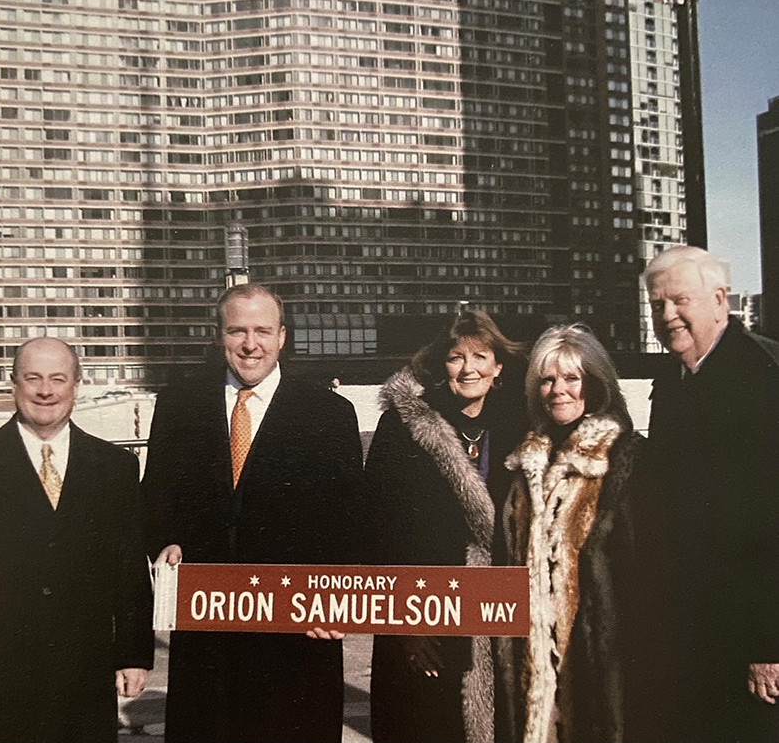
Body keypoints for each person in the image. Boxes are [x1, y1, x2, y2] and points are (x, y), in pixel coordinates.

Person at [141, 284, 364, 743]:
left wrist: (338, 598)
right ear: (219, 336)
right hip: (207, 646)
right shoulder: (179, 405)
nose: (250, 344)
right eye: (237, 330)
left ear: (282, 336)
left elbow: (350, 522)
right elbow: (155, 501)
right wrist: (166, 540)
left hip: (299, 640)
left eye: (263, 330)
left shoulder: (329, 414)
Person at [0, 337, 154, 743]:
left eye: (58, 379)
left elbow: (128, 569)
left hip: (83, 677)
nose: (46, 391)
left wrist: (133, 655)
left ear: (76, 385)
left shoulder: (115, 468)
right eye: (33, 379)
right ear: (14, 384)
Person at [630, 245, 779, 743]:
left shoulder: (761, 374)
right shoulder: (671, 379)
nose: (666, 314)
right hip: (687, 625)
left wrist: (767, 641)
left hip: (746, 633)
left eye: (679, 300)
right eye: (656, 304)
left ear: (720, 300)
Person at [364, 310, 527, 743]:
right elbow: (379, 527)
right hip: (425, 621)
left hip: (499, 621)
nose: (468, 369)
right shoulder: (402, 426)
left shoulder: (523, 427)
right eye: (456, 358)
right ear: (443, 366)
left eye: (480, 356)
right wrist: (404, 621)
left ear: (499, 366)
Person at [495, 324, 643, 743]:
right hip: (530, 663)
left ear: (595, 384)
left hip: (599, 661)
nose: (558, 390)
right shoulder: (523, 463)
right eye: (547, 379)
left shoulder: (623, 457)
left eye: (571, 378)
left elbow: (643, 568)